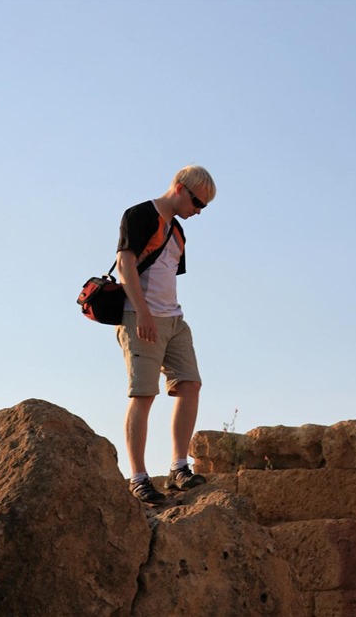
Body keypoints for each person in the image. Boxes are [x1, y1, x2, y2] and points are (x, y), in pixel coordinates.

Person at [115, 165, 216, 505]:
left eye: (203, 207)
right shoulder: (140, 214)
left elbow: (166, 275)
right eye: (198, 203)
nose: (198, 211)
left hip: (174, 320)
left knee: (190, 384)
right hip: (141, 317)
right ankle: (139, 477)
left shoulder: (179, 233)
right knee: (143, 395)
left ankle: (178, 467)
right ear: (180, 188)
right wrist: (142, 311)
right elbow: (125, 263)